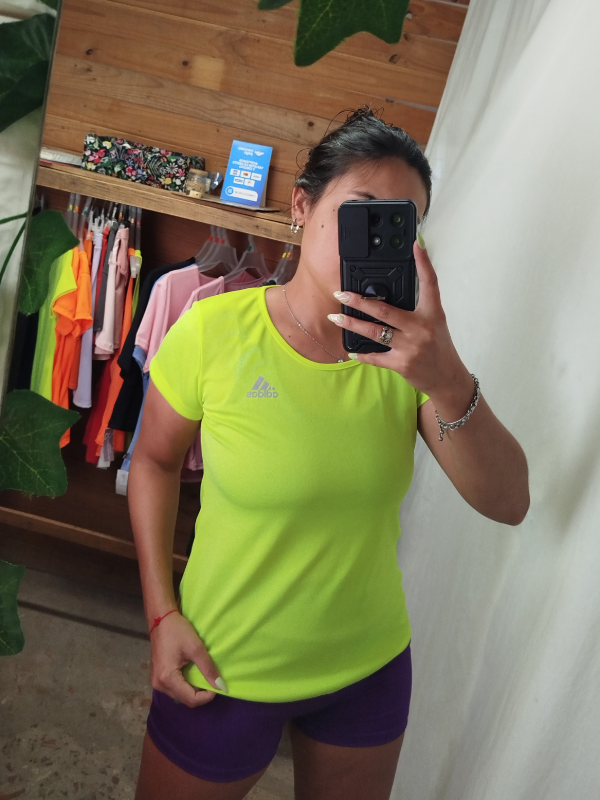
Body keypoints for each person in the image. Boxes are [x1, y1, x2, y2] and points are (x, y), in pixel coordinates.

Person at [129, 108, 529, 800]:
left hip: (368, 670)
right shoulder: (213, 330)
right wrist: (162, 614)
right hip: (224, 662)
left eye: (398, 225)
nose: (375, 239)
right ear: (302, 206)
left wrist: (446, 378)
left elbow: (509, 502)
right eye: (360, 211)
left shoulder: (412, 363)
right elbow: (155, 461)